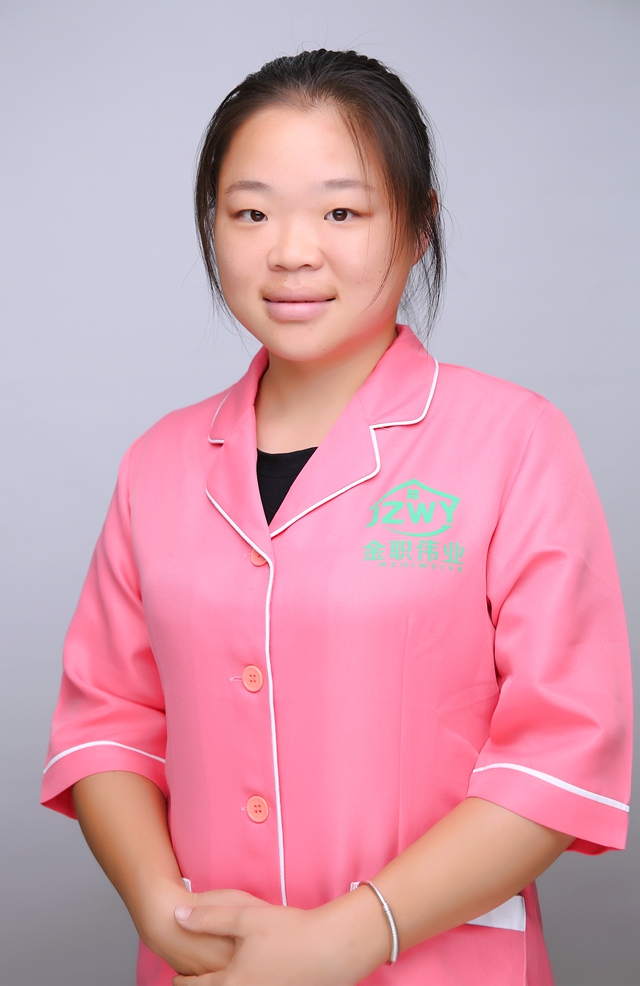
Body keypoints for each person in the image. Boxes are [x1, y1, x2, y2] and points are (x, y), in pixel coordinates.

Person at [41, 49, 632, 986]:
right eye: (251, 213)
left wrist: (351, 936)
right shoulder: (157, 464)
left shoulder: (514, 441)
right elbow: (109, 720)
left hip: (437, 968)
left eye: (342, 212)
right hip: (206, 967)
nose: (291, 251)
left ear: (419, 225)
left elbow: (563, 749)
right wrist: (159, 905)